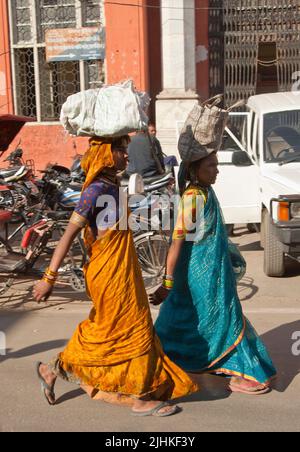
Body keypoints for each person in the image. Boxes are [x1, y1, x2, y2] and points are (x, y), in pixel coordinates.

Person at [33, 136, 198, 416]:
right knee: (131, 328)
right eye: (120, 150)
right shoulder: (95, 189)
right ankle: (141, 396)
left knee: (110, 332)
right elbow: (69, 235)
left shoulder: (114, 186)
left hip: (124, 271)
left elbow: (122, 226)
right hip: (107, 274)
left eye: (125, 149)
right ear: (106, 154)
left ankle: (52, 370)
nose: (126, 155)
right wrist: (48, 277)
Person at [151, 150, 277, 395]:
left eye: (216, 165)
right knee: (204, 319)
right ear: (194, 170)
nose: (217, 170)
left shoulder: (206, 192)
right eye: (211, 165)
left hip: (210, 273)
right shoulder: (193, 197)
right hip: (196, 276)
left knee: (200, 319)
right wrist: (167, 282)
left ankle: (204, 362)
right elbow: (178, 241)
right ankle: (237, 368)